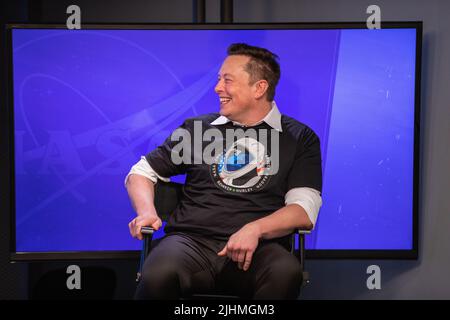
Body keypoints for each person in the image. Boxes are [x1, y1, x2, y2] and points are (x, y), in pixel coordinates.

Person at [125, 43, 323, 300]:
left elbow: (304, 210)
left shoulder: (299, 138)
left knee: (285, 273)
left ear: (259, 88)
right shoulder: (199, 129)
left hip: (260, 250)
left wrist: (255, 229)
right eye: (219, 80)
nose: (218, 88)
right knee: (158, 274)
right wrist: (146, 213)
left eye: (227, 81)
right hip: (190, 244)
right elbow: (141, 171)